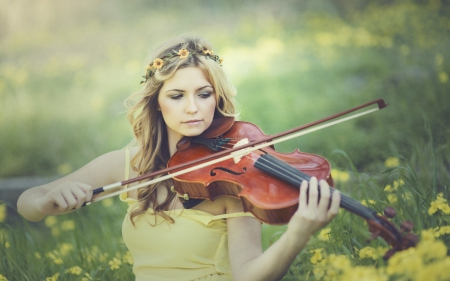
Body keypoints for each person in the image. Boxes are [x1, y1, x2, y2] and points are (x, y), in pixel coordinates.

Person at [17, 35, 341, 281]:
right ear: (157, 102)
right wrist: (46, 203)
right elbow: (28, 202)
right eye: (176, 95)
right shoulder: (130, 163)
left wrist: (298, 235)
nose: (192, 108)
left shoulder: (232, 178)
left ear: (217, 97)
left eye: (204, 94)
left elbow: (249, 274)